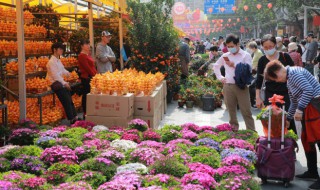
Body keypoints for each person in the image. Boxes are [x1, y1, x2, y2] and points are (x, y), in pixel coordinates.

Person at [264, 60, 320, 190]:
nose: (277, 82)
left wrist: (300, 109)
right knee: (307, 140)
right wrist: (288, 118)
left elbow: (308, 90)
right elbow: (294, 101)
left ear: (278, 72)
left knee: (318, 139)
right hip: (308, 106)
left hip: (315, 105)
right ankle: (312, 171)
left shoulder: (294, 73)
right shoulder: (289, 79)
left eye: (275, 79)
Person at [213, 34, 255, 131]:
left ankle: (252, 132)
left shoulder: (245, 55)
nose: (230, 48)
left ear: (238, 44)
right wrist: (220, 77)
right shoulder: (225, 55)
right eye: (228, 46)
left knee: (246, 111)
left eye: (232, 46)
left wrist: (234, 65)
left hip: (241, 86)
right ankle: (234, 130)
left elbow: (248, 69)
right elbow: (216, 66)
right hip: (228, 86)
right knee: (231, 110)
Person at [255, 34, 296, 133]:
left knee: (288, 119)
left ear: (275, 45)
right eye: (265, 47)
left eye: (270, 46)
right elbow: (259, 80)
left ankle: (290, 143)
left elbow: (293, 73)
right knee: (271, 120)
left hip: (287, 93)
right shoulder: (262, 60)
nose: (268, 49)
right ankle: (273, 143)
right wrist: (258, 97)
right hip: (270, 95)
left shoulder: (285, 56)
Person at [46, 42, 77, 124]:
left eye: (62, 49)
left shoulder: (58, 60)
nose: (62, 50)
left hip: (60, 82)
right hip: (55, 83)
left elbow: (63, 70)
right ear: (54, 50)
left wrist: (70, 74)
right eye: (60, 49)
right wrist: (64, 83)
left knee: (69, 99)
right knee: (66, 100)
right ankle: (71, 118)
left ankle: (75, 117)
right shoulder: (51, 62)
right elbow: (55, 75)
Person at [78, 39, 97, 119]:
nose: (88, 46)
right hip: (87, 78)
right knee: (86, 95)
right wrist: (95, 75)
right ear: (82, 46)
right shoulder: (82, 56)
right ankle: (85, 113)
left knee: (89, 95)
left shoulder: (87, 55)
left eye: (89, 44)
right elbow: (87, 68)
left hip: (91, 77)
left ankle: (89, 112)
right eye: (86, 44)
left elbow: (92, 67)